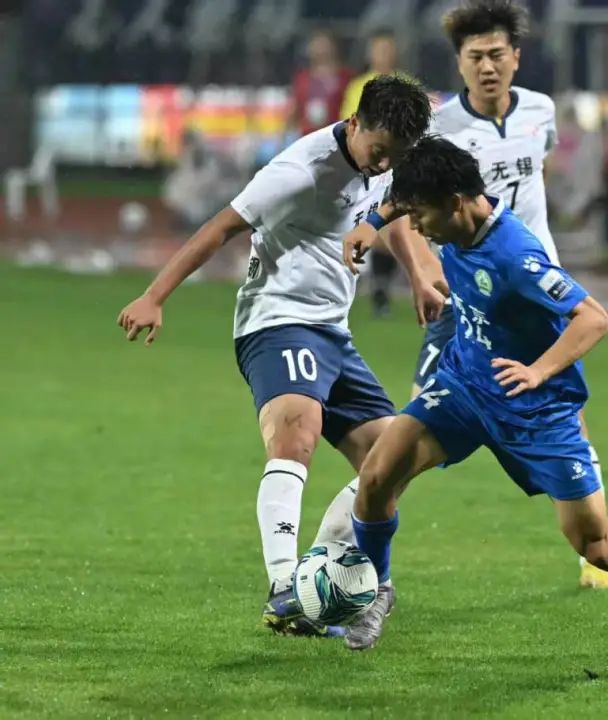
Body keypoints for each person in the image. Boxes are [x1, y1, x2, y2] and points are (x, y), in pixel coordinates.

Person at [342, 136, 608, 661]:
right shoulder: (448, 213)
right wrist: (372, 223)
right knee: (378, 475)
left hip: (537, 412)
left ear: (456, 203)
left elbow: (593, 318)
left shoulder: (515, 255)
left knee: (597, 545)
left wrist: (538, 370)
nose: (416, 227)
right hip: (465, 387)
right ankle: (376, 590)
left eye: (421, 215)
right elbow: (400, 200)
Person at [117, 75, 439, 638]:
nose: (385, 164)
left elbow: (391, 213)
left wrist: (417, 275)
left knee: (394, 457)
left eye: (397, 155)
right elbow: (220, 227)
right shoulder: (299, 172)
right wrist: (154, 295)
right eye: (380, 150)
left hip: (332, 332)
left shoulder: (383, 162)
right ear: (355, 123)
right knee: (297, 430)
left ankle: (319, 574)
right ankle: (285, 585)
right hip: (276, 322)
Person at [351, 0, 608, 589]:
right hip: (463, 294)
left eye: (497, 54)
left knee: (564, 412)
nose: (487, 66)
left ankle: (594, 548)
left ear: (516, 58)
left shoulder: (541, 112)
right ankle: (351, 552)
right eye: (475, 57)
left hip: (528, 290)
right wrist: (422, 267)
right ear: (459, 63)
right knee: (411, 426)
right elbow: (405, 197)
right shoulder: (441, 127)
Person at [340, 29, 408, 318]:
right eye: (378, 49)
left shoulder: (406, 86)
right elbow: (347, 124)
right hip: (363, 169)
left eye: (387, 49)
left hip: (395, 166)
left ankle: (381, 288)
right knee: (357, 224)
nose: (382, 55)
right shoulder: (358, 87)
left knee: (388, 227)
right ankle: (350, 285)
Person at [289, 29, 354, 138]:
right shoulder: (302, 78)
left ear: (334, 48)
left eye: (324, 45)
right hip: (307, 135)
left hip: (335, 136)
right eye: (317, 45)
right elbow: (295, 109)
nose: (321, 51)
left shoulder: (346, 77)